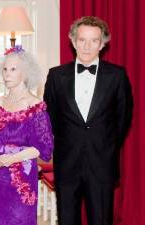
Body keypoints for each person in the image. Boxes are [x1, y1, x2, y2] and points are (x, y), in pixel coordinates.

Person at [44, 16, 133, 225]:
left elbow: (123, 118)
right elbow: (50, 118)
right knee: (66, 219)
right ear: (73, 41)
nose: (87, 46)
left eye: (94, 40)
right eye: (82, 40)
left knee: (101, 219)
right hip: (67, 162)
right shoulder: (56, 76)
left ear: (102, 44)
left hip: (102, 163)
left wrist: (104, 143)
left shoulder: (117, 76)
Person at [0, 45, 54, 225]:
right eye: (5, 69)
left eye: (13, 69)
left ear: (26, 73)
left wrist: (11, 159)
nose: (7, 74)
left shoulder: (35, 106)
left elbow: (44, 148)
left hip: (22, 178)